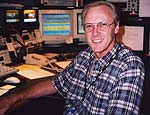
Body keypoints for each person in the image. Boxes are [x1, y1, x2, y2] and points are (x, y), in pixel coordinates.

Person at [0, 1, 145, 115]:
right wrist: (11, 98)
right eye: (89, 26)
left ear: (117, 27)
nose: (95, 33)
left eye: (103, 25)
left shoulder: (129, 65)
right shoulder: (85, 56)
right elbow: (55, 83)